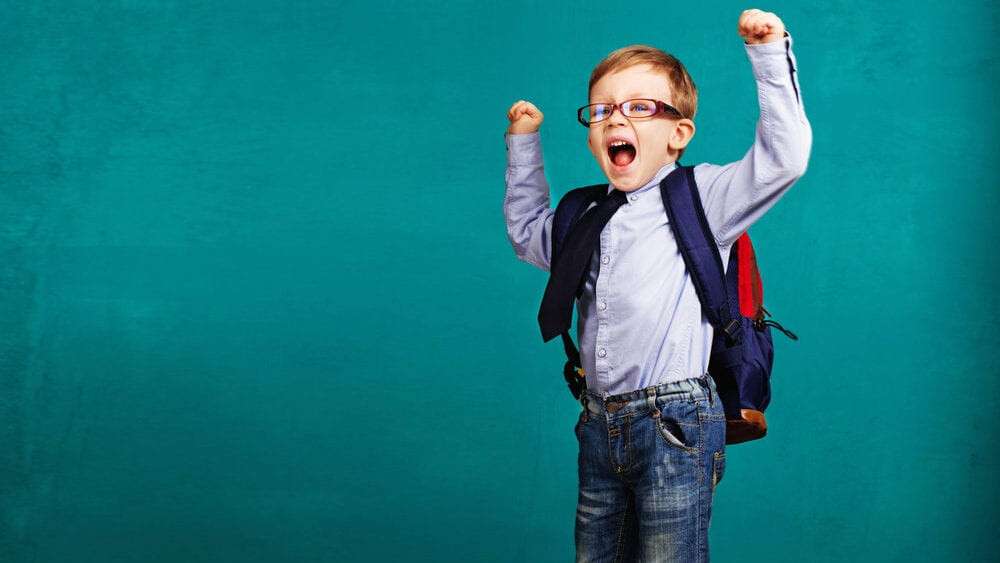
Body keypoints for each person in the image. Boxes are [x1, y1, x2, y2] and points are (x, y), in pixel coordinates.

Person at [502, 8, 812, 562]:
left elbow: (783, 160)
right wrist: (524, 145)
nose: (616, 119)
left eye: (640, 107)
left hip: (675, 423)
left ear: (678, 134)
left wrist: (768, 55)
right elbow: (529, 236)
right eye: (602, 110)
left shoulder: (706, 199)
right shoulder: (583, 214)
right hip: (598, 422)